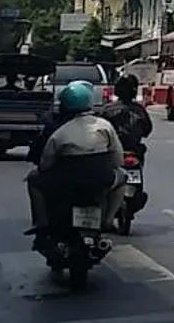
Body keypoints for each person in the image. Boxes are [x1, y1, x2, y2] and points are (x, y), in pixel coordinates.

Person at [24, 82, 125, 248]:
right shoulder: (104, 126)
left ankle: (41, 223)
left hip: (67, 184)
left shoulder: (60, 132)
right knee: (123, 178)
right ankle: (108, 220)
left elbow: (45, 164)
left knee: (33, 179)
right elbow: (118, 160)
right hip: (101, 181)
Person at [97, 74, 153, 153]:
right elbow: (147, 130)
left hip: (115, 150)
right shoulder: (139, 109)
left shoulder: (107, 109)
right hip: (127, 149)